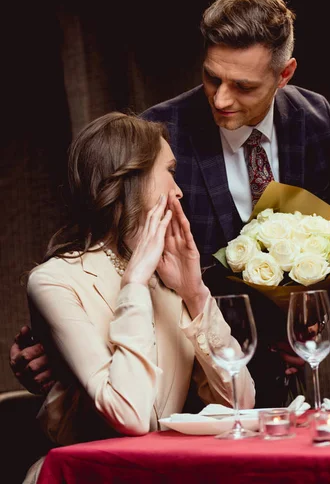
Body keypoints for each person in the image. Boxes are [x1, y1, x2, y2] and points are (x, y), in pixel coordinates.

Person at [10, 0, 330, 408]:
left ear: (284, 75)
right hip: (185, 387)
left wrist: (313, 324)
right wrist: (58, 341)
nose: (222, 99)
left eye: (244, 86)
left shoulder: (314, 117)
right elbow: (101, 243)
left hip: (278, 376)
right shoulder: (157, 132)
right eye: (212, 77)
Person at [19, 111, 255, 483]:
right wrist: (133, 284)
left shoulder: (169, 277)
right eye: (170, 171)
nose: (178, 190)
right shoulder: (54, 281)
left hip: (161, 473)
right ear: (133, 179)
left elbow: (241, 404)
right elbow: (130, 416)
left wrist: (194, 293)